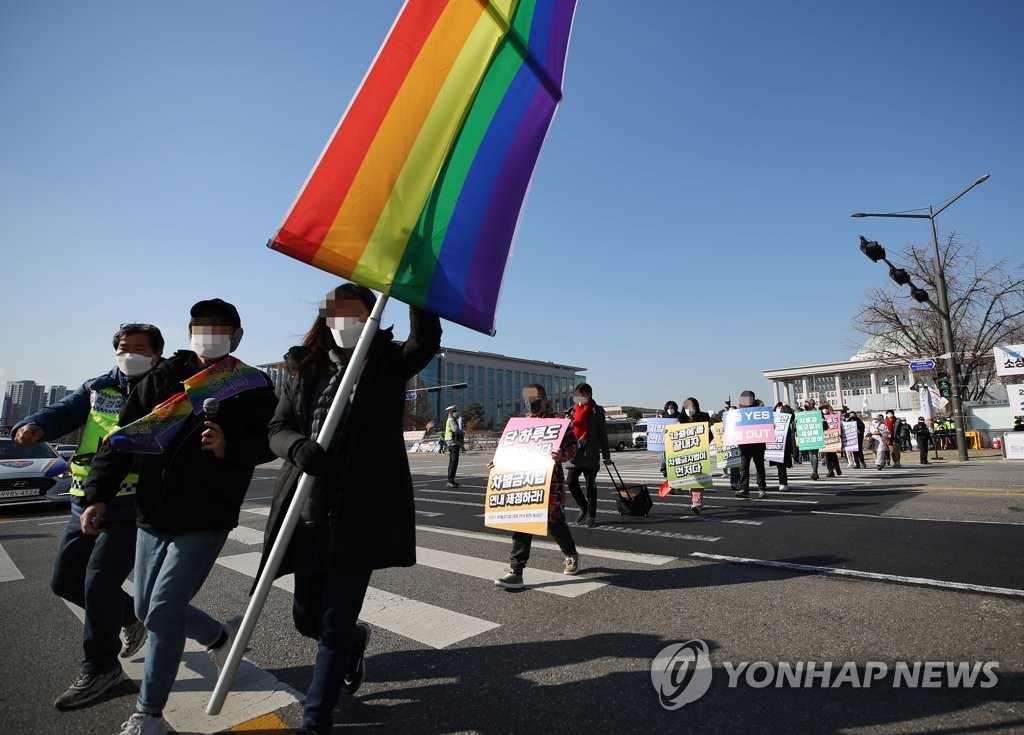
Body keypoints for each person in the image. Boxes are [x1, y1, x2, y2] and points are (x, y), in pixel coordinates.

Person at [81, 299, 277, 735]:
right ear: (190, 332)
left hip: (207, 513)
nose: (210, 333)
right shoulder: (163, 377)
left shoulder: (250, 383)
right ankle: (220, 637)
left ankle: (150, 714)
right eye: (202, 325)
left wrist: (231, 448)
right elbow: (121, 441)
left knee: (164, 611)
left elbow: (270, 439)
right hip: (152, 512)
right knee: (148, 609)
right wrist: (98, 495)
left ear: (236, 335)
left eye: (220, 327)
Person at [257, 284, 441, 735]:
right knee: (307, 618)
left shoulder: (389, 362)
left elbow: (425, 341)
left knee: (334, 623)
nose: (345, 321)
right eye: (336, 313)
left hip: (361, 511)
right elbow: (278, 427)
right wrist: (298, 448)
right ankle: (356, 642)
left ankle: (316, 719)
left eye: (355, 312)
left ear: (374, 315)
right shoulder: (304, 366)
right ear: (325, 319)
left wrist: (416, 292)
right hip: (306, 511)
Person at [12, 323, 164, 710]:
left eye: (139, 347)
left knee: (98, 583)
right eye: (123, 347)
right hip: (83, 498)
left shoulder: (164, 389)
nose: (129, 353)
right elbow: (62, 411)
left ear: (156, 354)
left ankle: (100, 667)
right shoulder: (98, 388)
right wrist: (34, 425)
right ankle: (130, 614)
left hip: (130, 502)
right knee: (64, 580)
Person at [494, 383, 580, 589]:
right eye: (528, 401)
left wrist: (563, 455)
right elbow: (508, 450)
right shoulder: (521, 425)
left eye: (536, 401)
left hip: (551, 483)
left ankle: (570, 553)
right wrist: (497, 463)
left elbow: (573, 446)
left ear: (545, 400)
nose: (532, 405)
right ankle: (516, 571)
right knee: (522, 521)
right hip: (526, 481)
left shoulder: (559, 421)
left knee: (555, 522)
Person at [566, 383, 611, 527]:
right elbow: (566, 432)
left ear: (589, 395)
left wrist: (606, 455)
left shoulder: (597, 411)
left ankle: (591, 515)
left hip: (591, 453)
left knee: (591, 486)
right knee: (571, 482)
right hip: (575, 453)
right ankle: (583, 507)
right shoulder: (572, 411)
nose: (578, 398)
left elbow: (603, 435)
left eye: (581, 395)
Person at [679, 397, 712, 511]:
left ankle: (696, 503)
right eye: (687, 406)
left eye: (692, 406)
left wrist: (708, 433)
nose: (690, 408)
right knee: (690, 479)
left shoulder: (703, 417)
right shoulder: (680, 419)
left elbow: (710, 437)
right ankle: (693, 494)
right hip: (685, 453)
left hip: (700, 452)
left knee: (699, 477)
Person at [734, 390, 767, 499]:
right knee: (743, 467)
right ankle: (744, 489)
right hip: (744, 444)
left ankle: (762, 488)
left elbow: (766, 423)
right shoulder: (739, 412)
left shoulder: (761, 409)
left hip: (758, 443)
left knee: (760, 466)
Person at [770, 404, 795, 492]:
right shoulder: (771, 415)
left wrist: (786, 407)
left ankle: (783, 482)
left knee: (782, 464)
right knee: (779, 465)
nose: (779, 409)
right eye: (778, 407)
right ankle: (782, 482)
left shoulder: (787, 414)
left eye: (781, 408)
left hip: (784, 441)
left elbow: (791, 416)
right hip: (775, 442)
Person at [819, 403, 842, 478]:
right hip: (824, 438)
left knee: (833, 455)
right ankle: (830, 470)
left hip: (833, 437)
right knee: (827, 455)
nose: (824, 410)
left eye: (826, 408)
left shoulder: (833, 416)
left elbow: (838, 425)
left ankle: (837, 468)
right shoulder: (819, 417)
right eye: (823, 409)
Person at [444, 404, 464, 487]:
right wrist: (462, 432)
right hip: (453, 442)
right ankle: (450, 480)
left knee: (452, 461)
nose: (456, 413)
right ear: (450, 412)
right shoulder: (451, 420)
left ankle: (450, 480)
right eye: (454, 411)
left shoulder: (451, 419)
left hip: (451, 442)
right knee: (454, 462)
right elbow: (455, 429)